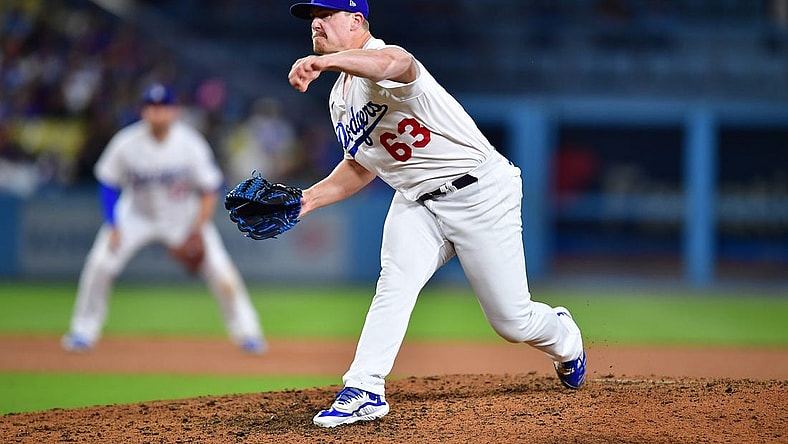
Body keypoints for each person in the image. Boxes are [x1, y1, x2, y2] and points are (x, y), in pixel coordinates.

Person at [287, 0, 586, 428]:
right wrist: (307, 200)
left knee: (511, 321)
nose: (315, 22)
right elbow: (361, 165)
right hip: (416, 202)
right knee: (395, 282)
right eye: (310, 18)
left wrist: (326, 60)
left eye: (326, 14)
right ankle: (365, 387)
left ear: (357, 22)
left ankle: (564, 336)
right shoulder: (340, 98)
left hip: (480, 192)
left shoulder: (383, 62)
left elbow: (400, 62)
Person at [61, 83, 266, 355]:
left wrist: (197, 228)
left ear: (174, 111)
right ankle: (83, 331)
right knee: (100, 264)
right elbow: (108, 184)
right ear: (143, 111)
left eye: (163, 107)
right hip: (135, 215)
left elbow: (209, 190)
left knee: (221, 270)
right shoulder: (126, 142)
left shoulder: (190, 143)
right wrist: (113, 223)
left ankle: (247, 332)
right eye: (151, 107)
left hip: (184, 217)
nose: (157, 113)